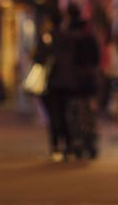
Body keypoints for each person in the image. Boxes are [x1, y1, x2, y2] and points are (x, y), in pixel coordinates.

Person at [33, 9, 72, 162]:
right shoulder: (68, 37)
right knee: (64, 113)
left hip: (52, 82)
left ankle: (56, 146)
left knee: (54, 115)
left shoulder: (47, 38)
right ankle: (68, 145)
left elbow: (39, 59)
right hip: (68, 81)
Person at [66, 5, 101, 159]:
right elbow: (96, 57)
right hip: (89, 80)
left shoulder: (68, 34)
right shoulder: (89, 34)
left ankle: (79, 141)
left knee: (75, 111)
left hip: (74, 81)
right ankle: (90, 140)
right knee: (89, 111)